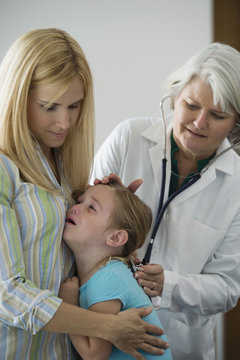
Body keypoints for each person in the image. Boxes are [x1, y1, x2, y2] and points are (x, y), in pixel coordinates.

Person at [0, 28, 168, 360]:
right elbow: (6, 293)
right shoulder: (5, 169)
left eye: (74, 106)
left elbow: (71, 256)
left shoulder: (64, 170)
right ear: (18, 97)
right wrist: (104, 327)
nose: (64, 122)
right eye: (49, 106)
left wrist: (117, 233)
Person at [92, 42, 240, 360]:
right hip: (105, 330)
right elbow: (77, 225)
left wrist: (168, 286)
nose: (199, 123)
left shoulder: (237, 185)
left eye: (217, 115)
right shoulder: (127, 138)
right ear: (174, 96)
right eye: (191, 105)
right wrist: (108, 204)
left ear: (235, 123)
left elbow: (227, 288)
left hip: (181, 344)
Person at [59, 182, 173, 360]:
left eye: (91, 208)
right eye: (79, 201)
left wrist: (68, 304)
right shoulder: (108, 272)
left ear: (115, 237)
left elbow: (94, 354)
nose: (75, 208)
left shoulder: (108, 279)